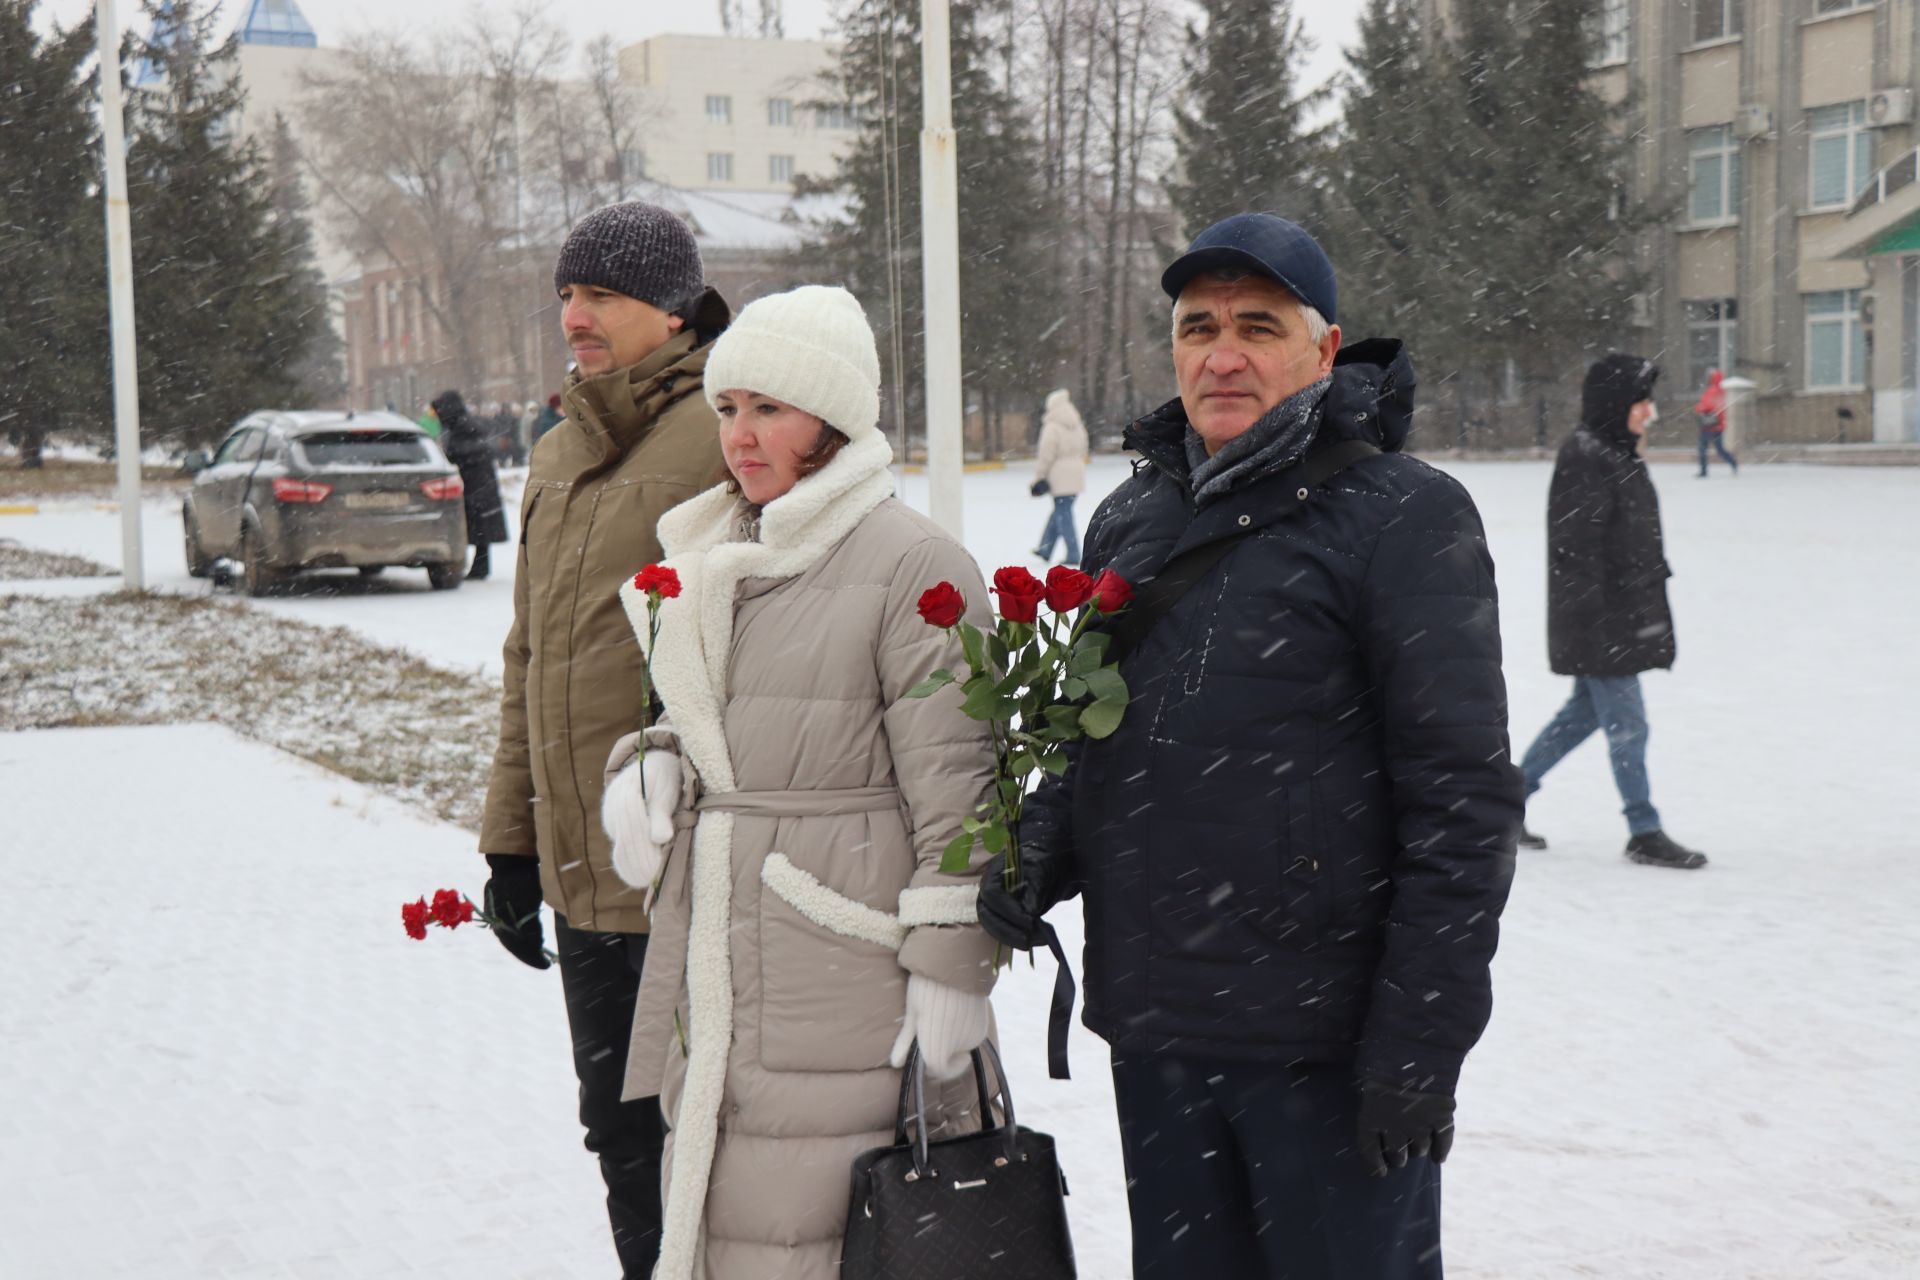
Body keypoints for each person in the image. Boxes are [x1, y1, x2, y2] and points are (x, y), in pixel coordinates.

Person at [978, 212, 1523, 1279]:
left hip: (1328, 1050)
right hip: (1159, 1028)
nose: (1221, 353)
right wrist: (1036, 846)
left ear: (1322, 350)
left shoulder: (1403, 516)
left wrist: (1420, 1046)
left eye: (1257, 325)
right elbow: (1097, 732)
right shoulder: (1134, 518)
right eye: (1198, 326)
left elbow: (1463, 805)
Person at [598, 284, 999, 1280]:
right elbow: (717, 727)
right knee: (737, 1224)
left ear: (833, 416)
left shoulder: (914, 563)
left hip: (841, 969)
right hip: (725, 958)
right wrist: (647, 763)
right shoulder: (718, 548)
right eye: (729, 407)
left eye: (770, 408)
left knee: (833, 1231)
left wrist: (953, 967)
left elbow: (963, 785)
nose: (740, 434)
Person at [478, 199, 731, 1277]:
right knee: (622, 1139)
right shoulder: (553, 450)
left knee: (716, 1148)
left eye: (603, 296)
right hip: (586, 878)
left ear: (670, 312)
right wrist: (510, 840)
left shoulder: (728, 426)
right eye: (568, 294)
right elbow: (530, 658)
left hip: (688, 864)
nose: (576, 316)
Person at [1514, 354, 1707, 869]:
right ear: (1615, 405)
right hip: (1601, 619)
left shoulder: (1613, 453)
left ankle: (1505, 802)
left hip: (1614, 614)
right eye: (1641, 402)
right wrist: (1596, 625)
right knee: (1629, 725)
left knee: (1581, 717)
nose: (1650, 413)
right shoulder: (1587, 456)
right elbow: (1576, 550)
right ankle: (1643, 829)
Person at [431, 389, 507, 580]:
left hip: (476, 485)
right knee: (478, 529)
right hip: (477, 484)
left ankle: (479, 568)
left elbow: (471, 451)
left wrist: (452, 457)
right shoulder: (461, 424)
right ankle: (479, 567)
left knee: (478, 528)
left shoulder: (463, 426)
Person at [1029, 387, 1090, 564]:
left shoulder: (1052, 426)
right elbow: (1084, 447)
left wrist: (1039, 476)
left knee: (1063, 514)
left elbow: (1046, 454)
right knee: (1061, 511)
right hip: (1077, 472)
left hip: (1059, 474)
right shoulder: (1077, 423)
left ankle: (1074, 554)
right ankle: (1045, 549)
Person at [1694, 368, 1738, 477]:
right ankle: (1732, 462)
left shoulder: (1712, 390)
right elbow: (1719, 407)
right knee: (1719, 449)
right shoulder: (1720, 390)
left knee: (1703, 449)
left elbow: (1708, 405)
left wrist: (1699, 407)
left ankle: (1704, 471)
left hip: (1709, 425)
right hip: (1716, 425)